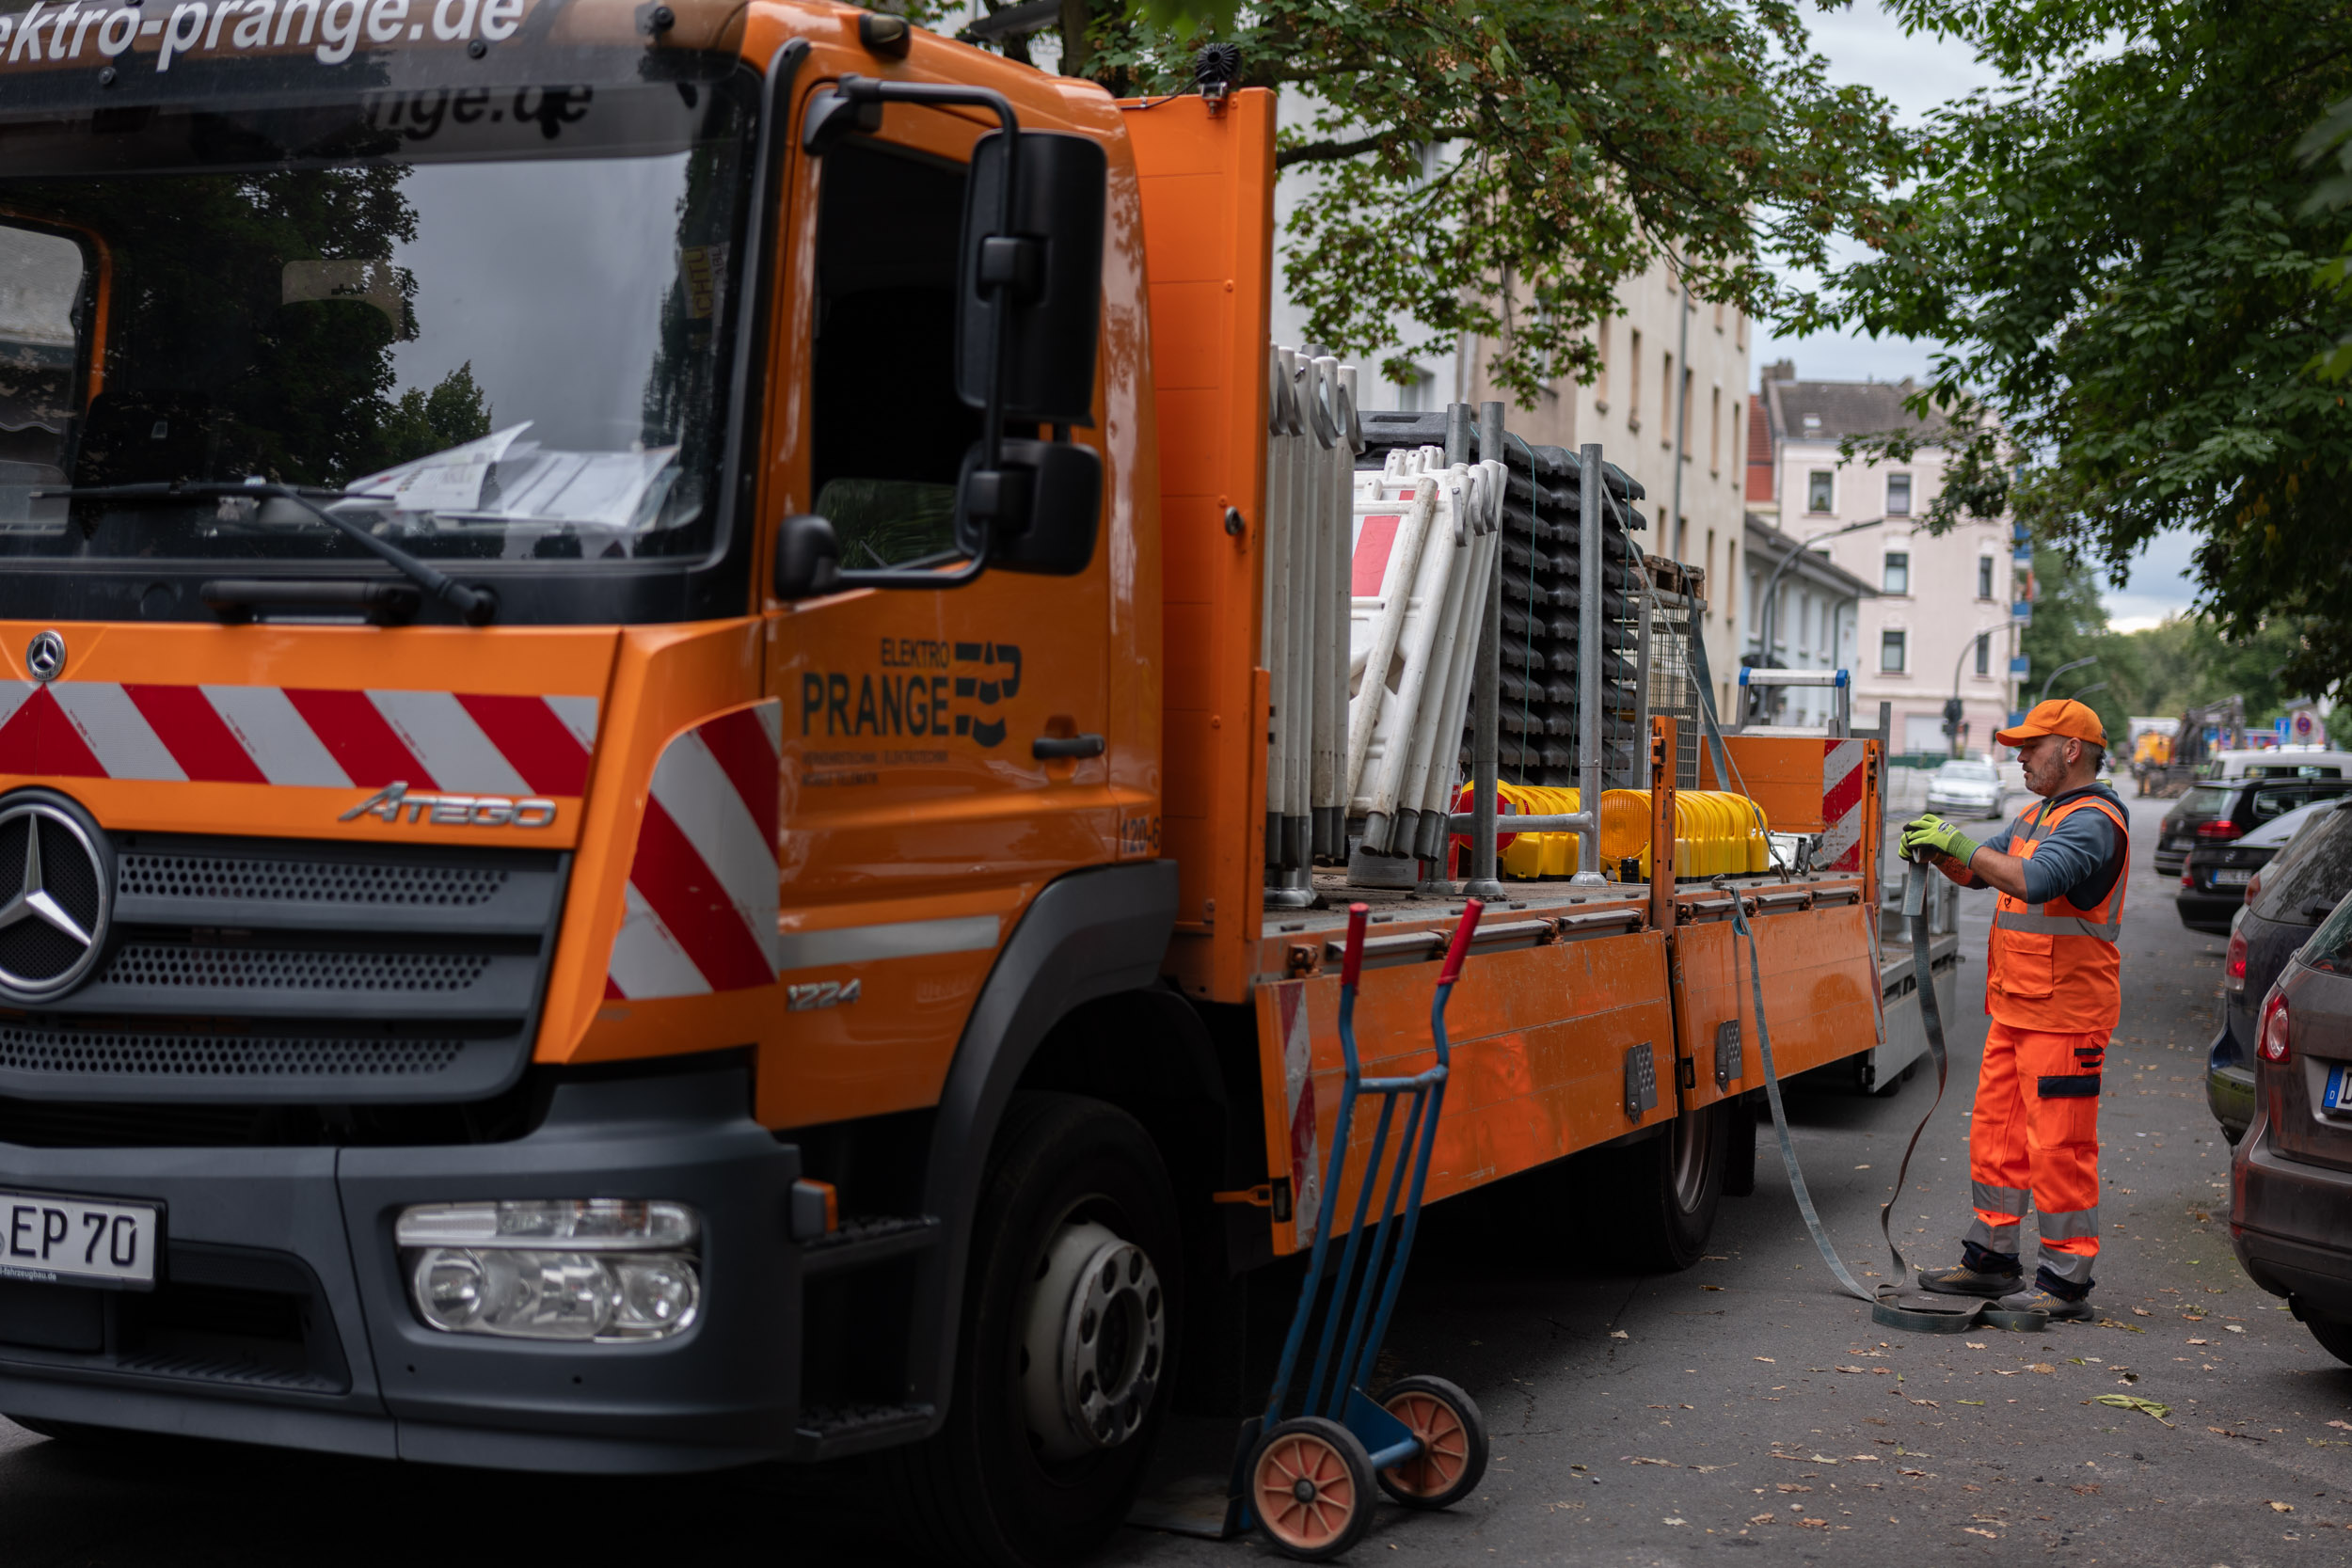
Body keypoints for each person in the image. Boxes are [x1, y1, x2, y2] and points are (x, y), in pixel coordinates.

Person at [1899, 700, 2128, 1322]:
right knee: (1997, 1138)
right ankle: (1992, 1259)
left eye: (2032, 746)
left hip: (2067, 1016)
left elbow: (2033, 880)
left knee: (2060, 1148)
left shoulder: (2094, 821)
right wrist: (1939, 850)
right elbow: (1984, 873)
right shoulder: (2038, 814)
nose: (2020, 756)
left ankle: (2065, 1281)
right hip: (2018, 1008)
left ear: (2071, 750)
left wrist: (1958, 843)